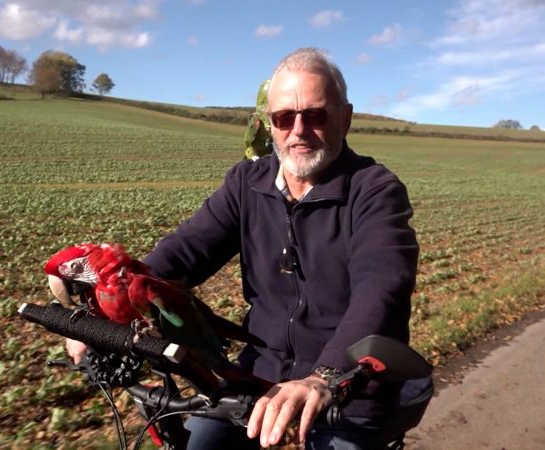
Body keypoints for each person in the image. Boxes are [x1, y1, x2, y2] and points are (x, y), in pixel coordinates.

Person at [67, 47, 419, 449]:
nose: (299, 130)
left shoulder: (374, 191)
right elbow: (183, 252)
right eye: (284, 118)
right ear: (270, 123)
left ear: (346, 118)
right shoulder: (247, 183)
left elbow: (381, 289)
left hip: (348, 390)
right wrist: (102, 316)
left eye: (315, 115)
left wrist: (325, 377)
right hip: (257, 377)